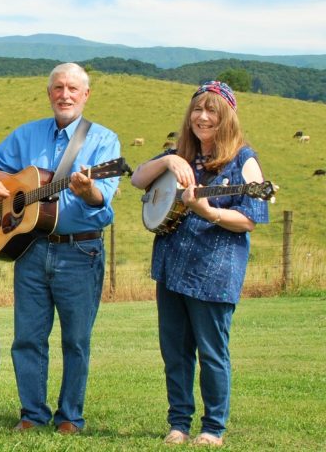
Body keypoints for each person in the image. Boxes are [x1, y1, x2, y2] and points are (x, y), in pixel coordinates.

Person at [0, 63, 120, 434]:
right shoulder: (28, 135)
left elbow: (105, 206)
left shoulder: (103, 141)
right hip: (32, 250)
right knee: (28, 338)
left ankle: (70, 417)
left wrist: (90, 192)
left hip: (80, 253)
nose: (64, 95)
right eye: (58, 88)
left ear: (86, 95)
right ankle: (32, 414)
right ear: (48, 92)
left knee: (76, 340)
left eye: (72, 89)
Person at [130, 81, 269, 447]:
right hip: (171, 266)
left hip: (214, 271)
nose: (203, 117)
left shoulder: (244, 160)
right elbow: (137, 179)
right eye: (198, 110)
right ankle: (178, 423)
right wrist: (169, 159)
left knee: (211, 352)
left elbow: (251, 217)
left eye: (212, 111)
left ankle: (213, 428)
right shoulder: (182, 154)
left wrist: (209, 212)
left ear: (227, 118)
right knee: (174, 352)